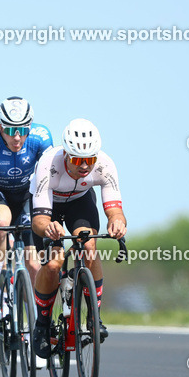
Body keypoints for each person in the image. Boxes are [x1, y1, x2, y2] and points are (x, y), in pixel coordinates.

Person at [30, 119, 126, 357]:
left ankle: (94, 316)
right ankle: (42, 324)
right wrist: (49, 228)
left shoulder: (105, 164)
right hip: (49, 207)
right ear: (65, 154)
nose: (84, 166)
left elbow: (115, 210)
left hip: (79, 202)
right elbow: (39, 220)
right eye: (77, 160)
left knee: (89, 246)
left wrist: (117, 222)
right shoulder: (48, 164)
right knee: (53, 264)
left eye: (90, 160)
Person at [0, 97, 53, 320]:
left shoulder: (42, 136)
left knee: (34, 264)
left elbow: (48, 181)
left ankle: (37, 322)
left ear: (30, 126)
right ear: (0, 127)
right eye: (10, 130)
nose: (17, 137)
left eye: (23, 130)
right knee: (0, 225)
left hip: (26, 194)